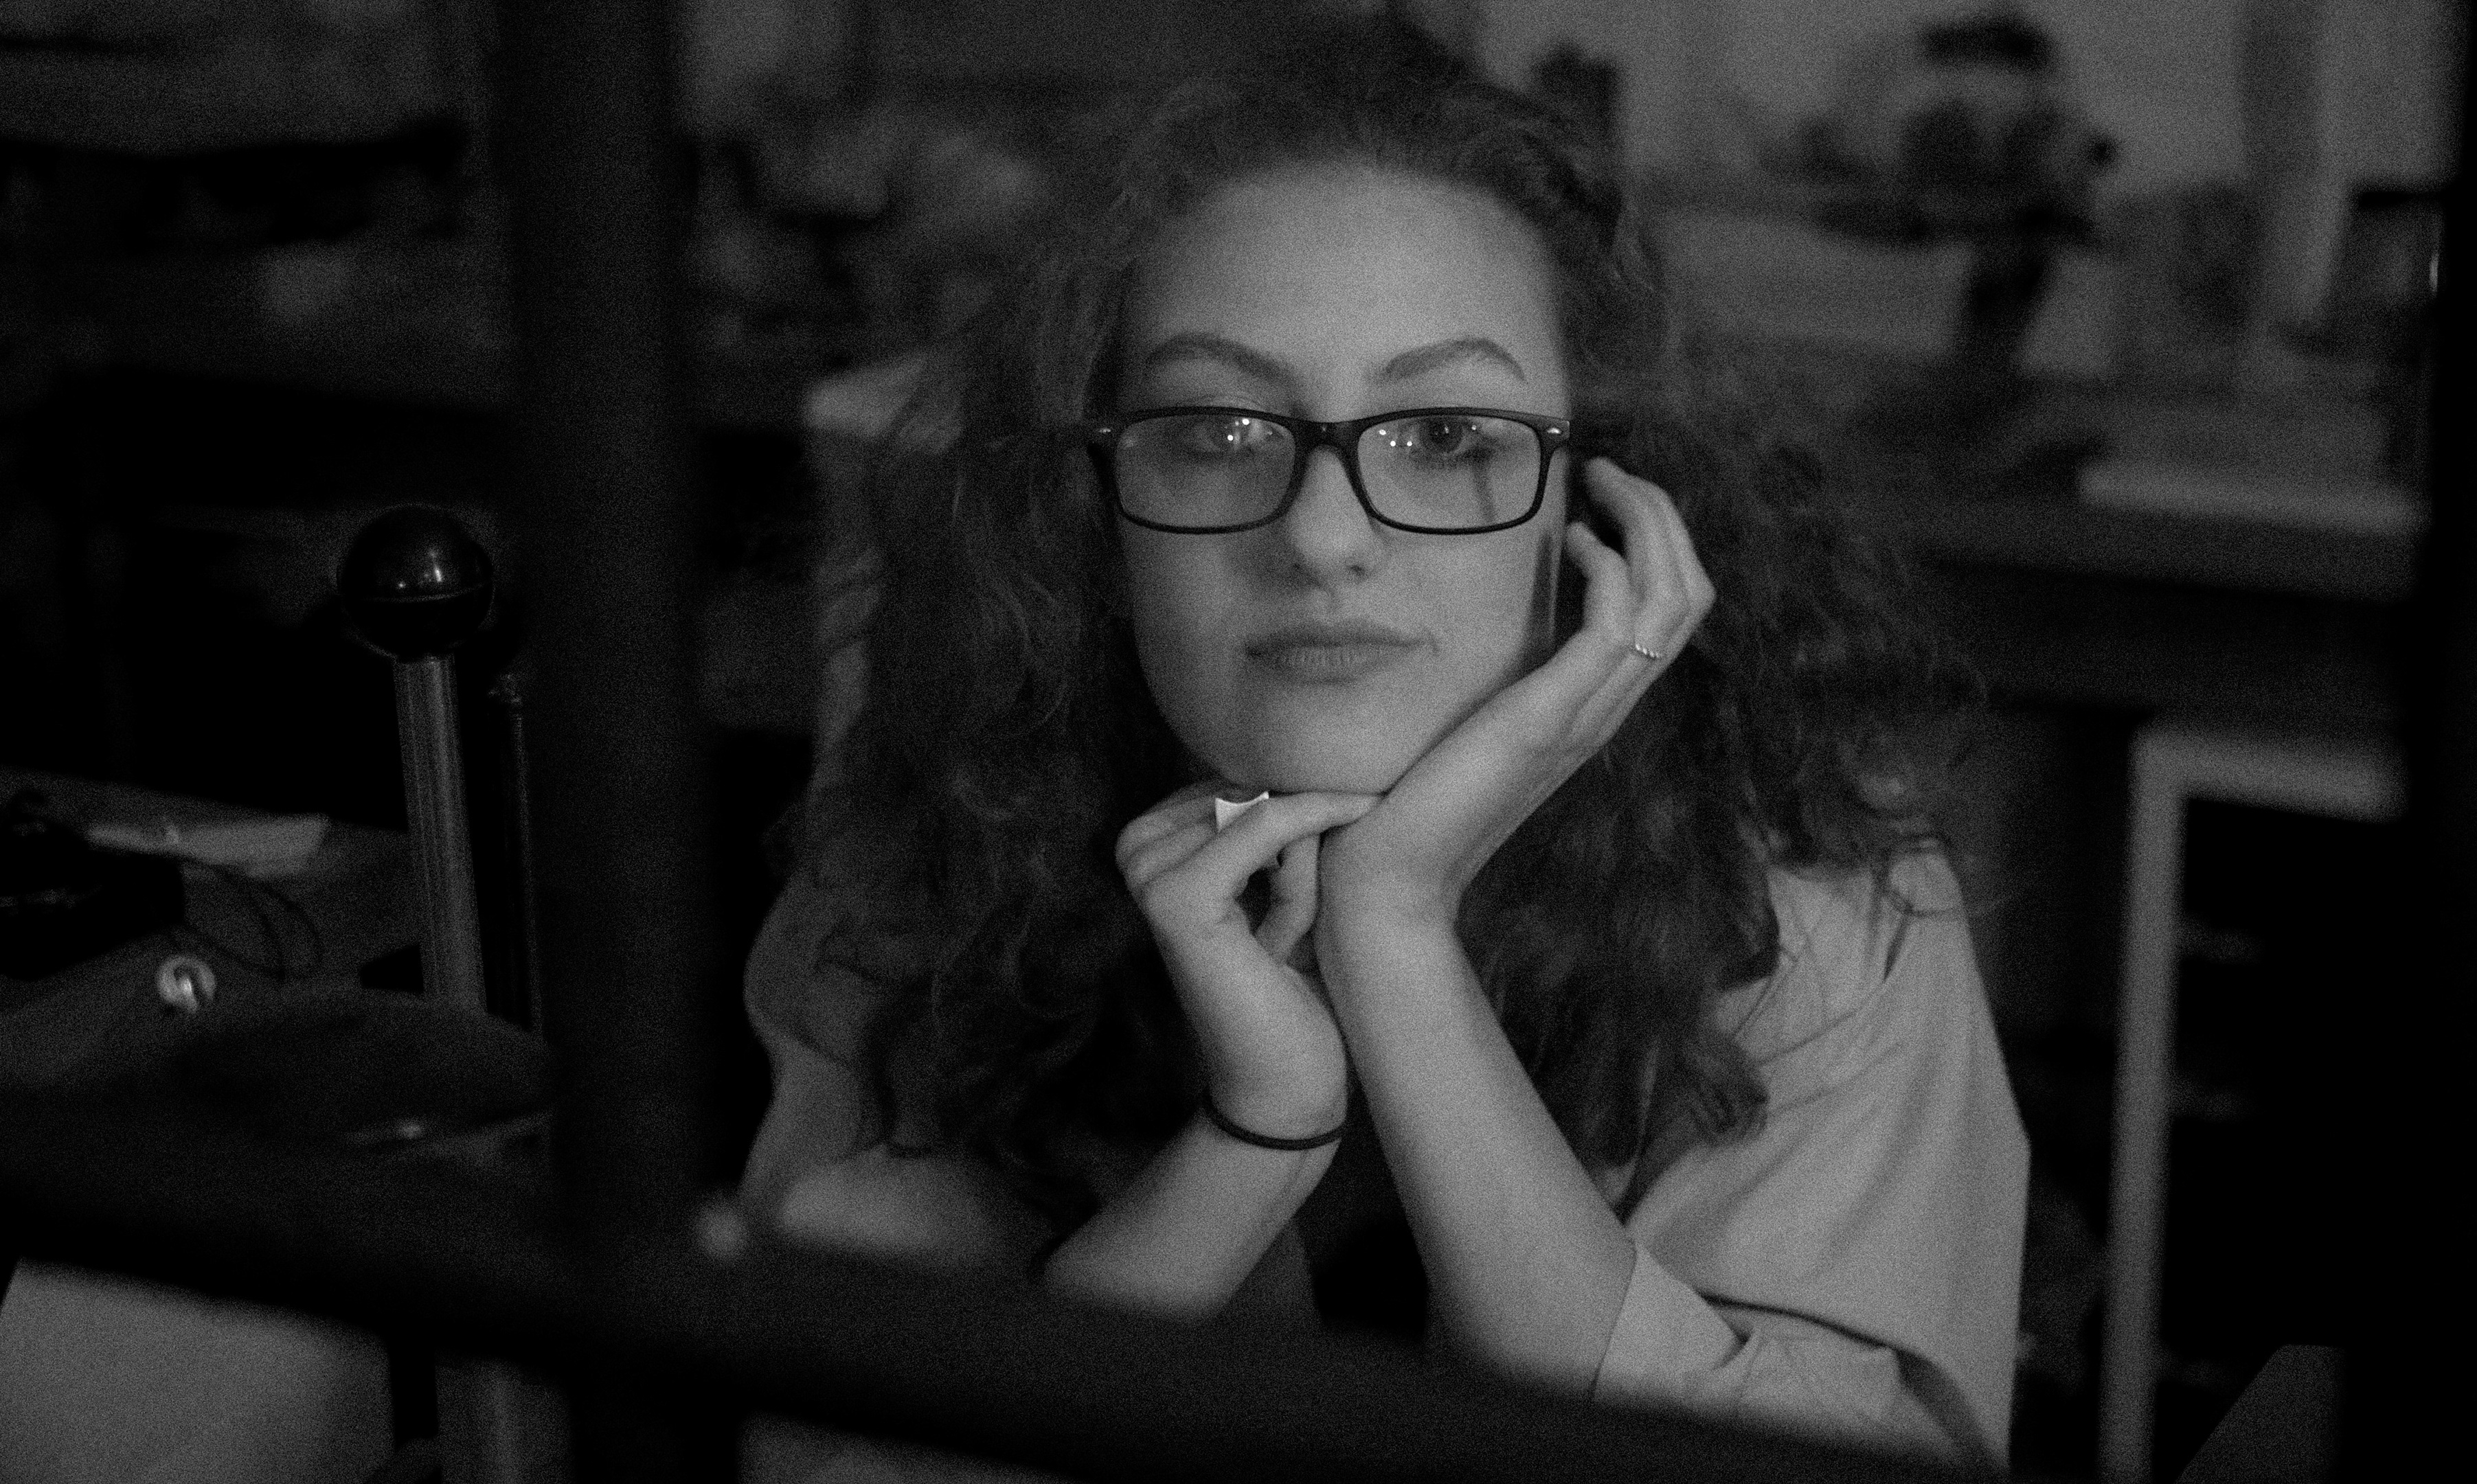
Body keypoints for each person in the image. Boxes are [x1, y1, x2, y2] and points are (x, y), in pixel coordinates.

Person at [740, 19, 2027, 1476]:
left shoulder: (1808, 888)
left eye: (1447, 437)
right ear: (1091, 514)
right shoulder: (933, 853)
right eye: (1217, 431)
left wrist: (1393, 931)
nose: (1324, 536)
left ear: (1598, 503)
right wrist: (1247, 1147)